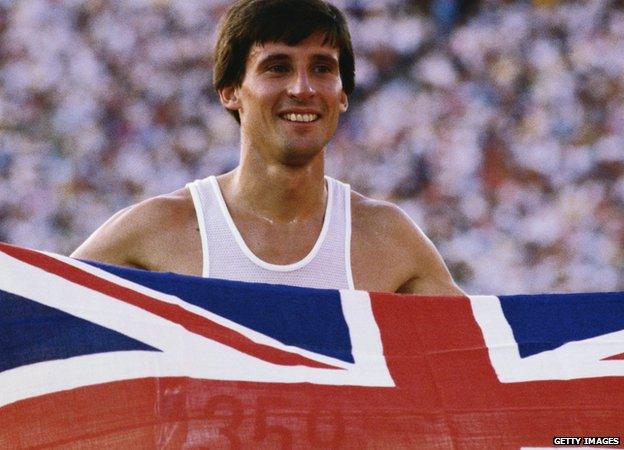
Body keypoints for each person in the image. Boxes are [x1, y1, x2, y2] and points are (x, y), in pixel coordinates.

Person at [72, 0, 464, 295]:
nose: (303, 89)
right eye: (278, 67)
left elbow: (481, 363)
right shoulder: (156, 231)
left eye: (323, 68)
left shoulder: (389, 240)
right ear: (230, 93)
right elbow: (35, 324)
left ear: (343, 95)